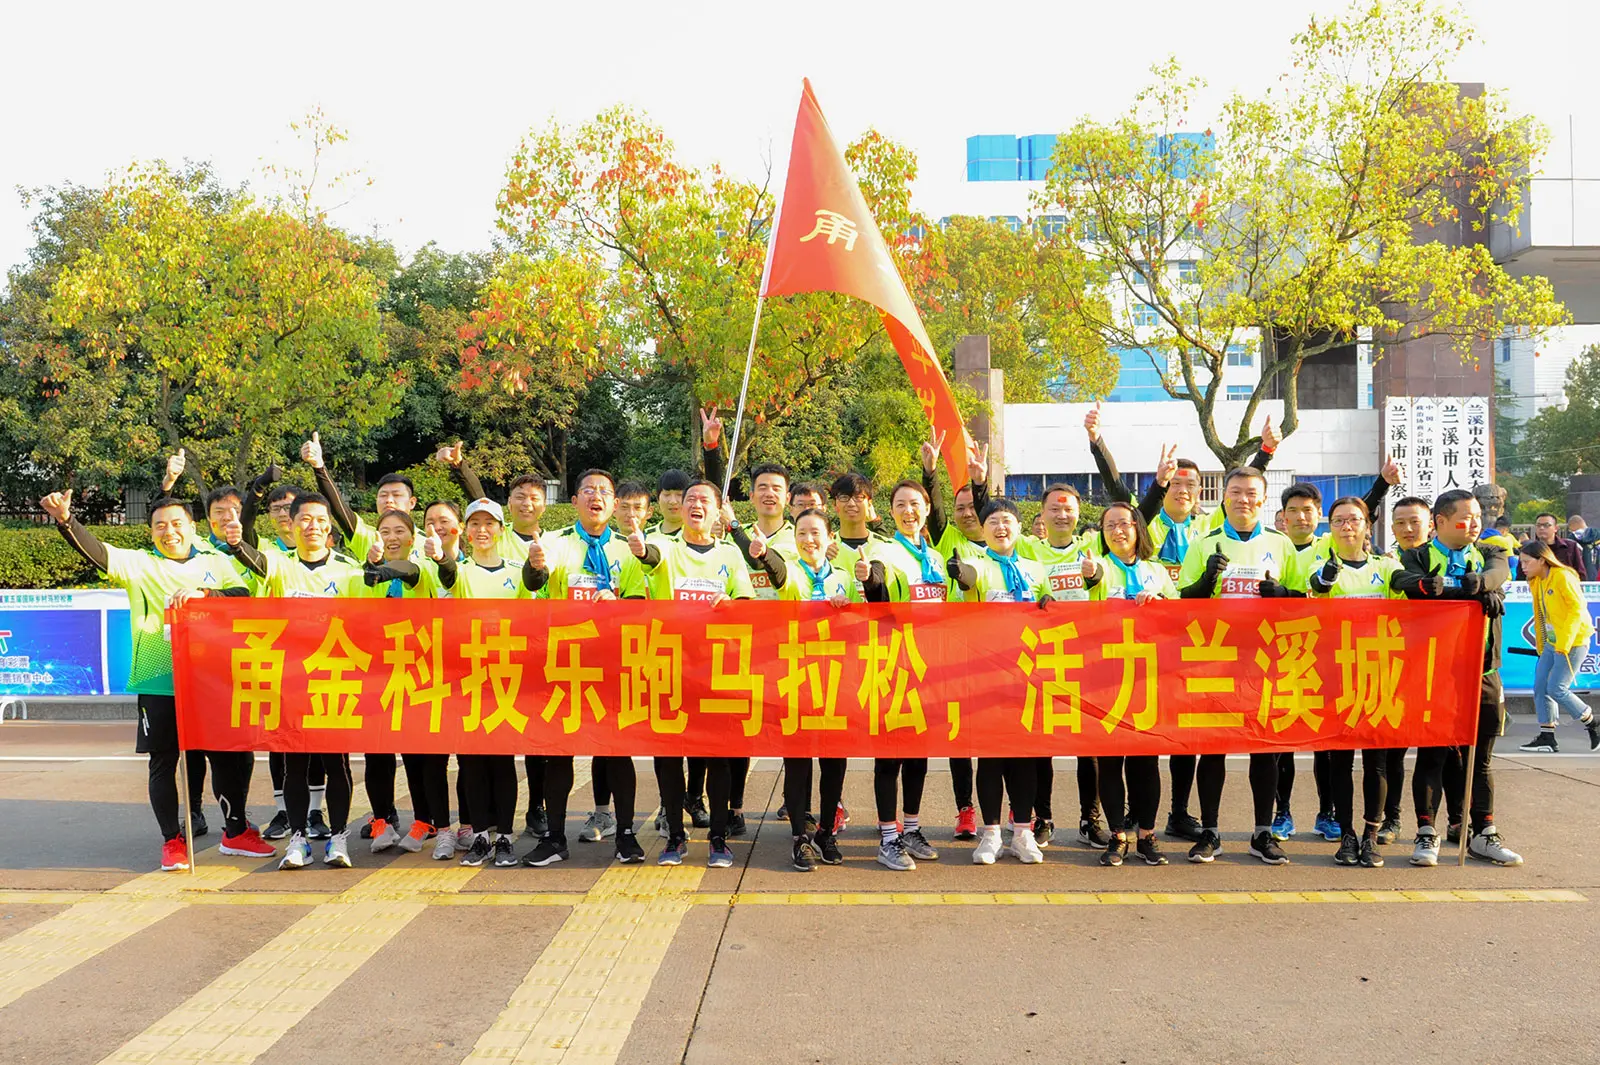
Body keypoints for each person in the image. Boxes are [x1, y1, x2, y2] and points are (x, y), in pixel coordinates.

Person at [40, 489, 269, 872]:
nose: (169, 531)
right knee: (163, 761)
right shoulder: (140, 564)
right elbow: (98, 552)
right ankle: (172, 842)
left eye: (177, 524)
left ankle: (235, 832)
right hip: (159, 679)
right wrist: (66, 520)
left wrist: (204, 593)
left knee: (228, 757)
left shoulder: (216, 561)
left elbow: (242, 596)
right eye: (160, 526)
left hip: (212, 678)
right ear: (151, 532)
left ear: (193, 527)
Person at [224, 493, 366, 870]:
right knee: (294, 764)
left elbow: (369, 620)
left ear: (329, 526)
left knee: (336, 764)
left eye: (320, 519)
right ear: (292, 522)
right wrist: (237, 543)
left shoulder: (350, 572)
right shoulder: (279, 564)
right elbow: (254, 560)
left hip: (335, 681)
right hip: (290, 683)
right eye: (304, 519)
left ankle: (338, 838)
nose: (312, 526)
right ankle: (299, 839)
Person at [1177, 466, 1307, 865]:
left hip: (1265, 659)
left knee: (1263, 750)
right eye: (1235, 492)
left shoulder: (1281, 544)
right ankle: (1211, 832)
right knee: (1212, 749)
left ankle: (1262, 832)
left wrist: (1282, 594)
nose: (1243, 499)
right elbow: (1182, 602)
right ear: (1224, 496)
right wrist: (1205, 582)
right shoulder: (1203, 543)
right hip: (1214, 659)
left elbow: (1304, 601)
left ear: (1263, 499)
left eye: (1251, 493)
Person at [521, 471, 648, 867]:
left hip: (612, 667)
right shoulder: (555, 543)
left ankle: (625, 834)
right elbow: (535, 583)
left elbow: (640, 605)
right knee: (559, 754)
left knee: (617, 752)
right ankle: (555, 838)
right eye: (589, 490)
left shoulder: (629, 548)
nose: (597, 497)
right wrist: (535, 566)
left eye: (605, 492)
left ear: (614, 504)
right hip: (565, 665)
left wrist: (618, 606)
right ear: (574, 501)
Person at [630, 478, 756, 868]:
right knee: (669, 757)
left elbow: (747, 603)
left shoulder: (730, 554)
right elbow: (651, 557)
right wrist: (642, 549)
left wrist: (730, 603)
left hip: (715, 671)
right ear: (681, 509)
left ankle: (718, 838)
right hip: (670, 667)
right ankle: (675, 836)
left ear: (718, 511)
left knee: (717, 757)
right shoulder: (666, 546)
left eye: (705, 500)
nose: (696, 504)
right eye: (690, 499)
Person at [1391, 489, 1520, 866]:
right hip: (1434, 674)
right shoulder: (1417, 556)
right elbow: (1406, 582)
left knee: (1480, 759)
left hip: (1483, 673)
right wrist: (1439, 588)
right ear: (1440, 522)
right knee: (1433, 754)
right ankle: (1426, 833)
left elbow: (1497, 574)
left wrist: (1481, 586)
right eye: (1465, 517)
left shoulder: (1489, 551)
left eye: (1478, 516)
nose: (1475, 523)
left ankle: (1483, 832)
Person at [744, 505, 869, 871]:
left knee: (834, 762)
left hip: (835, 682)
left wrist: (848, 606)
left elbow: (862, 624)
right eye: (801, 533)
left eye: (816, 533)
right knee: (797, 761)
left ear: (830, 538)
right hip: (795, 681)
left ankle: (826, 832)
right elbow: (778, 573)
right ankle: (800, 836)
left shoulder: (844, 577)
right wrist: (764, 555)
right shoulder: (792, 572)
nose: (808, 539)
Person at [426, 498, 538, 869]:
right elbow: (446, 575)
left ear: (501, 530)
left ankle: (504, 836)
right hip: (468, 681)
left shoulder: (517, 572)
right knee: (471, 763)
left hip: (506, 680)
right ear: (465, 531)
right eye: (475, 523)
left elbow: (532, 617)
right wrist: (440, 556)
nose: (482, 530)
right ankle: (479, 837)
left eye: (490, 523)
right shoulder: (460, 572)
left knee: (503, 763)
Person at [854, 459, 950, 871]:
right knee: (889, 754)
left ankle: (911, 828)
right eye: (900, 505)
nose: (908, 511)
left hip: (930, 666)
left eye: (915, 504)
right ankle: (888, 838)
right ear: (890, 512)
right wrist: (868, 578)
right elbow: (877, 590)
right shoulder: (883, 550)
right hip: (893, 664)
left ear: (926, 509)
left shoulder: (937, 556)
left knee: (919, 753)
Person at [948, 497, 1055, 865]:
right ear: (983, 529)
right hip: (985, 677)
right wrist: (959, 574)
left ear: (1020, 527)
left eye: (1007, 520)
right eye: (992, 521)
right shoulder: (977, 564)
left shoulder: (1035, 569)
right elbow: (968, 580)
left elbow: (1052, 613)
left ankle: (1023, 832)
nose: (1000, 527)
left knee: (1025, 758)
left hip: (1029, 677)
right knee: (991, 757)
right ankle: (991, 834)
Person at [1308, 497, 1405, 867]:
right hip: (1337, 678)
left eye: (1354, 520)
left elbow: (1406, 589)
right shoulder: (1322, 565)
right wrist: (1326, 578)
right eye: (1338, 521)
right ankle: (1347, 834)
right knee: (1340, 763)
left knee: (1376, 763)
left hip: (1378, 677)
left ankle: (1371, 835)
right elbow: (1318, 587)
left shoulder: (1387, 566)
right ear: (1330, 527)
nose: (1346, 526)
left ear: (1367, 525)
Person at [1017, 479, 1113, 850]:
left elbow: (1108, 576)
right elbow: (989, 531)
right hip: (1040, 659)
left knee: (1088, 746)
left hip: (1085, 661)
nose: (1061, 515)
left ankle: (1090, 819)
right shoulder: (1027, 548)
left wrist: (1095, 575)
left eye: (1068, 509)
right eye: (1054, 509)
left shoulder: (1093, 547)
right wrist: (979, 484)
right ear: (1041, 515)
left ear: (1077, 513)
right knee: (1041, 744)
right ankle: (1043, 818)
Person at [1082, 500, 1178, 867]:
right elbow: (1089, 584)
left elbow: (1180, 617)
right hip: (1104, 679)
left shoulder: (1157, 571)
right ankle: (1118, 835)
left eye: (1124, 523)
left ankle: (1147, 835)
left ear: (1138, 527)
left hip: (1148, 679)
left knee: (1146, 762)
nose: (1118, 531)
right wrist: (1091, 573)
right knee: (1110, 762)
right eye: (1109, 526)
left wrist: (1160, 602)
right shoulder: (1101, 566)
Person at [356, 510, 451, 856]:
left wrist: (381, 571)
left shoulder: (421, 569)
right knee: (376, 752)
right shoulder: (361, 576)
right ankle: (381, 821)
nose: (392, 537)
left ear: (412, 538)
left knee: (418, 754)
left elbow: (407, 571)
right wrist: (370, 570)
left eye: (399, 531)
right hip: (376, 675)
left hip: (418, 674)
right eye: (384, 532)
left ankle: (425, 821)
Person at [1514, 540, 1599, 753]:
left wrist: (1563, 644)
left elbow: (1576, 611)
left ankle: (1592, 721)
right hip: (1552, 644)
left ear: (1542, 560)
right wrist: (1543, 645)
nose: (1522, 567)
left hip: (1573, 642)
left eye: (1526, 562)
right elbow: (1541, 615)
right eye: (1521, 562)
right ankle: (1547, 737)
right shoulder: (1537, 581)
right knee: (1541, 687)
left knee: (1556, 688)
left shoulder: (1563, 576)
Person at [1567, 514, 1599, 581]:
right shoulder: (1598, 534)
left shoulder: (1571, 538)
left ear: (1572, 526)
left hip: (1579, 579)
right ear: (1583, 522)